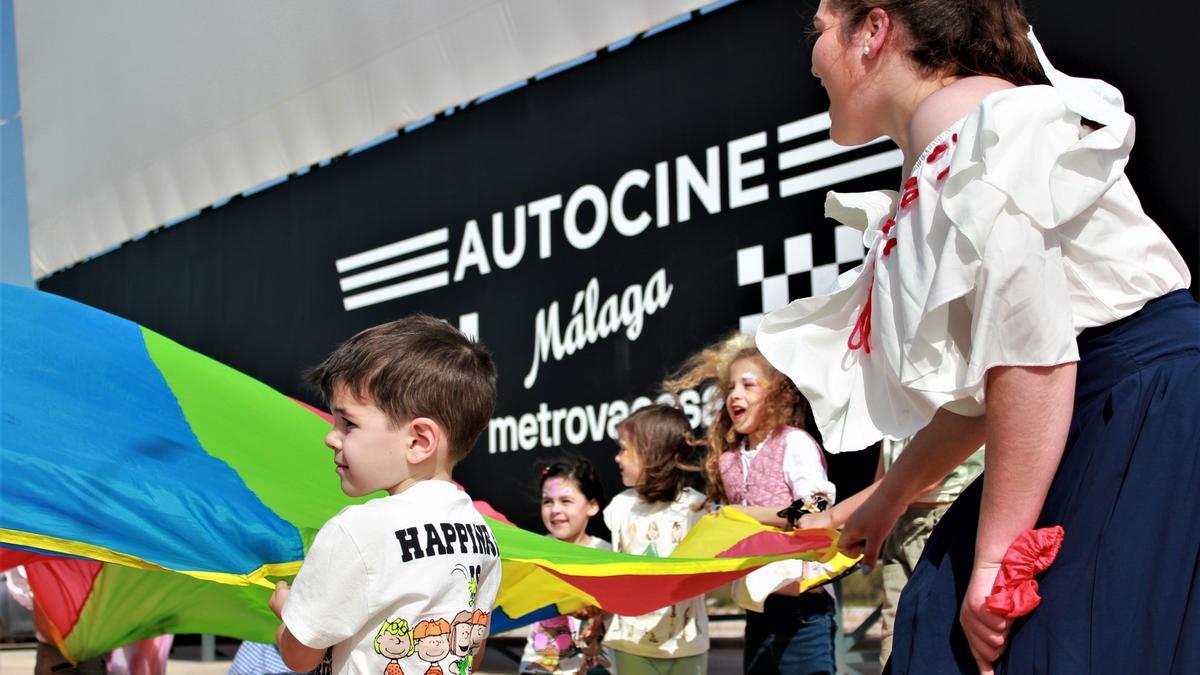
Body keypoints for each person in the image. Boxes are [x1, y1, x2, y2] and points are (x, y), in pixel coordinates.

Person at [756, 1, 1198, 672]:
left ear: (874, 30)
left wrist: (996, 560)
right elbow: (984, 391)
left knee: (977, 625)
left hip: (1141, 416)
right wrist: (889, 497)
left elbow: (1032, 355)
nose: (812, 54)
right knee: (943, 611)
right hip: (1114, 408)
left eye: (819, 29)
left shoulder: (977, 127)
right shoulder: (953, 140)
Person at [268, 315, 502, 675]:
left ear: (419, 441)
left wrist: (289, 613)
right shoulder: (482, 535)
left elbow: (300, 657)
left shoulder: (356, 530)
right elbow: (471, 650)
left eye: (348, 423)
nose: (331, 437)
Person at [664, 333, 837, 674]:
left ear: (776, 394)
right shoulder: (729, 460)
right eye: (730, 388)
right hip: (758, 608)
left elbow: (818, 507)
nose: (735, 395)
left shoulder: (794, 444)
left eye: (748, 385)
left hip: (803, 606)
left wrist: (746, 514)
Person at [602, 404, 709, 675]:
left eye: (624, 449)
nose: (616, 458)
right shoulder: (619, 508)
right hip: (632, 645)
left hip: (687, 644)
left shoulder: (698, 509)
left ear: (653, 455)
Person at [518, 458, 615, 675]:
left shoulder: (605, 553)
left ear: (592, 506)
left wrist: (597, 612)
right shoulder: (536, 552)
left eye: (566, 501)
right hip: (539, 664)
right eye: (547, 501)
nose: (555, 510)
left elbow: (618, 606)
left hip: (591, 665)